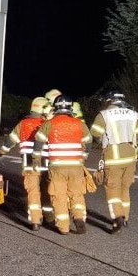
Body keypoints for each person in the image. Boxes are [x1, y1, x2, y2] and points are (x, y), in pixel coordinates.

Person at [89, 90, 138, 233]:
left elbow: (95, 133)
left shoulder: (104, 115)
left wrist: (102, 140)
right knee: (125, 189)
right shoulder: (134, 114)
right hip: (130, 159)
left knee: (112, 189)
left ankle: (117, 217)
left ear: (109, 101)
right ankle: (125, 217)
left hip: (112, 159)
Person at [34, 95, 92, 235]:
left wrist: (36, 161)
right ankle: (79, 218)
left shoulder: (49, 124)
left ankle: (64, 227)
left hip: (57, 167)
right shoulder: (79, 123)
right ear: (70, 108)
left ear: (56, 108)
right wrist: (83, 157)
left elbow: (38, 143)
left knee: (58, 196)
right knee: (76, 194)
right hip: (76, 166)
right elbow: (89, 141)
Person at [0, 97, 49, 230]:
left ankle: (35, 221)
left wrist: (1, 152)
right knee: (47, 190)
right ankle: (49, 218)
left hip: (29, 163)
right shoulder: (47, 123)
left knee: (33, 191)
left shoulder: (23, 124)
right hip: (46, 163)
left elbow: (10, 141)